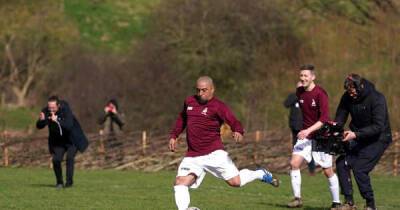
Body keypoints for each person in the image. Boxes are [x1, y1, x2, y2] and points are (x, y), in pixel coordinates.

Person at [169, 76, 279, 210]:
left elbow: (233, 120)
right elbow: (182, 119)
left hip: (214, 153)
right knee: (180, 182)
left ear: (212, 90)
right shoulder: (189, 101)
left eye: (204, 90)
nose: (200, 93)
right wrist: (174, 136)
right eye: (198, 90)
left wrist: (238, 130)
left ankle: (260, 174)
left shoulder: (218, 106)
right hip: (192, 155)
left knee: (235, 182)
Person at [287, 64, 341, 209]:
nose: (303, 78)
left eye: (306, 76)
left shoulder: (321, 94)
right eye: (301, 76)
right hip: (306, 136)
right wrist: (305, 131)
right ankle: (297, 198)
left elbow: (324, 119)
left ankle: (336, 203)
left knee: (327, 170)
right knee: (294, 163)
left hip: (321, 136)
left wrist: (308, 130)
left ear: (313, 77)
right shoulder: (299, 92)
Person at [335, 74, 392, 210]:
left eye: (353, 91)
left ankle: (370, 205)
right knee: (341, 163)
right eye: (348, 92)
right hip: (359, 136)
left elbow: (378, 126)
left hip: (379, 138)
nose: (351, 94)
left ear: (360, 86)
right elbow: (340, 117)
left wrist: (355, 134)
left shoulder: (377, 98)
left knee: (360, 168)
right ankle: (349, 203)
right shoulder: (347, 97)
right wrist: (335, 129)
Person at [36, 96, 88, 188]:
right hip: (58, 141)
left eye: (53, 108)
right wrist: (42, 120)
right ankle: (59, 182)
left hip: (72, 140)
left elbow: (68, 125)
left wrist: (57, 120)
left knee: (70, 157)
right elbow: (39, 126)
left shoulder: (66, 111)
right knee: (56, 160)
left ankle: (69, 183)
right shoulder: (46, 111)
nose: (51, 110)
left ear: (58, 106)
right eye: (49, 107)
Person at [284, 81, 316, 175]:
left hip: (306, 128)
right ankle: (295, 168)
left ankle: (312, 170)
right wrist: (296, 96)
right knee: (295, 148)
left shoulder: (309, 97)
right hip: (295, 127)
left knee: (309, 149)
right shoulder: (293, 96)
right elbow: (286, 104)